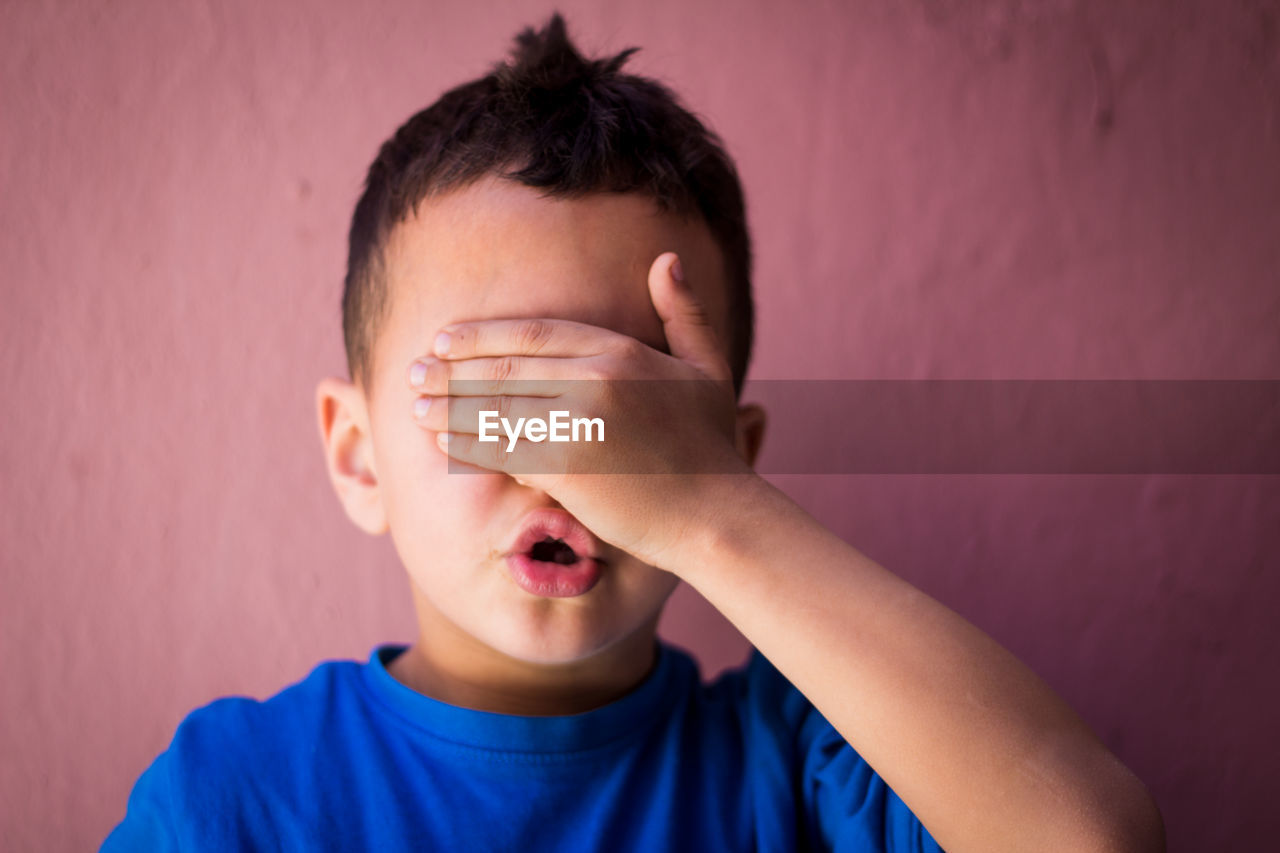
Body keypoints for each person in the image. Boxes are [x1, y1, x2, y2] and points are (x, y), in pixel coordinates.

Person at [103, 12, 1164, 852]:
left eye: (633, 406)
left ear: (728, 460)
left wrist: (709, 516)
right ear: (356, 451)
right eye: (495, 395)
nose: (569, 458)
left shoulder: (793, 769)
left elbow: (1088, 838)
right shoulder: (234, 797)